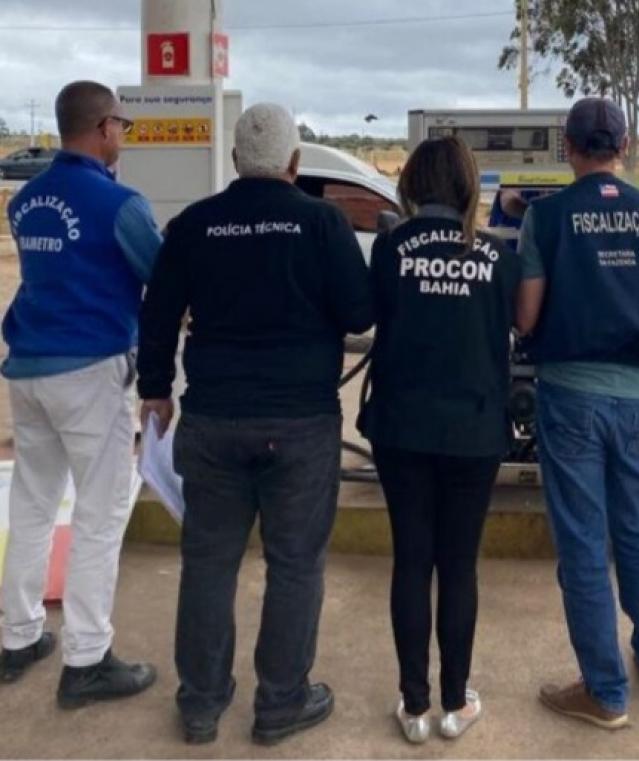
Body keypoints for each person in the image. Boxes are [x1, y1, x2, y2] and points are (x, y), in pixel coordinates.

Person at [136, 103, 374, 746]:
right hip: (300, 424)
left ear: (236, 161)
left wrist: (155, 391)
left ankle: (201, 705)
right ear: (295, 164)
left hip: (212, 420)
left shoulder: (194, 225)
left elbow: (156, 313)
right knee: (295, 566)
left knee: (209, 562)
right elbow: (358, 313)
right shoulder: (322, 223)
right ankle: (281, 704)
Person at [516, 97, 639, 729]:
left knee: (584, 541)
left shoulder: (547, 217)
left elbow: (527, 317)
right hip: (636, 398)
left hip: (569, 396)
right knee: (637, 528)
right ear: (623, 146)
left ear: (568, 147)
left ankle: (605, 692)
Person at [0, 81, 161, 706]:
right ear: (102, 128)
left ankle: (18, 639)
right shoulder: (120, 203)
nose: (122, 135)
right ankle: (87, 659)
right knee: (99, 513)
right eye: (121, 124)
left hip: (29, 367)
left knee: (35, 504)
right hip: (91, 372)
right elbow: (161, 270)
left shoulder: (26, 201)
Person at [357, 137, 522, 743]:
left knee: (411, 559)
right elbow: (518, 325)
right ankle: (454, 704)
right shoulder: (495, 256)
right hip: (475, 431)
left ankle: (414, 704)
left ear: (413, 184)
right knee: (458, 564)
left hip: (401, 428)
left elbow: (370, 315)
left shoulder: (391, 247)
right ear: (466, 187)